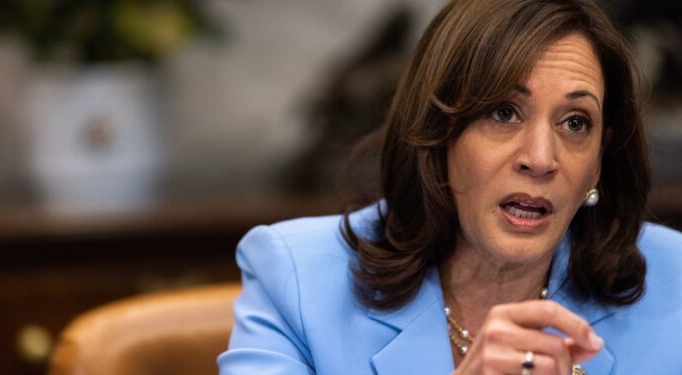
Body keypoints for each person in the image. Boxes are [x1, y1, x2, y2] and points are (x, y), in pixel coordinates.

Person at [218, 0, 682, 374]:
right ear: (439, 136)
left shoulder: (674, 283)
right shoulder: (296, 279)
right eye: (504, 113)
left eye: (576, 123)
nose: (541, 159)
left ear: (598, 163)